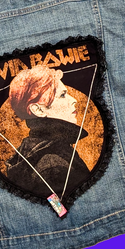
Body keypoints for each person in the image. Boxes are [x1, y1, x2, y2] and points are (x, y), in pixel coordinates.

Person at [5, 65, 91, 199]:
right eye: (62, 95)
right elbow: (60, 207)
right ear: (38, 110)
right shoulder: (53, 167)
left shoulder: (33, 147)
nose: (74, 100)